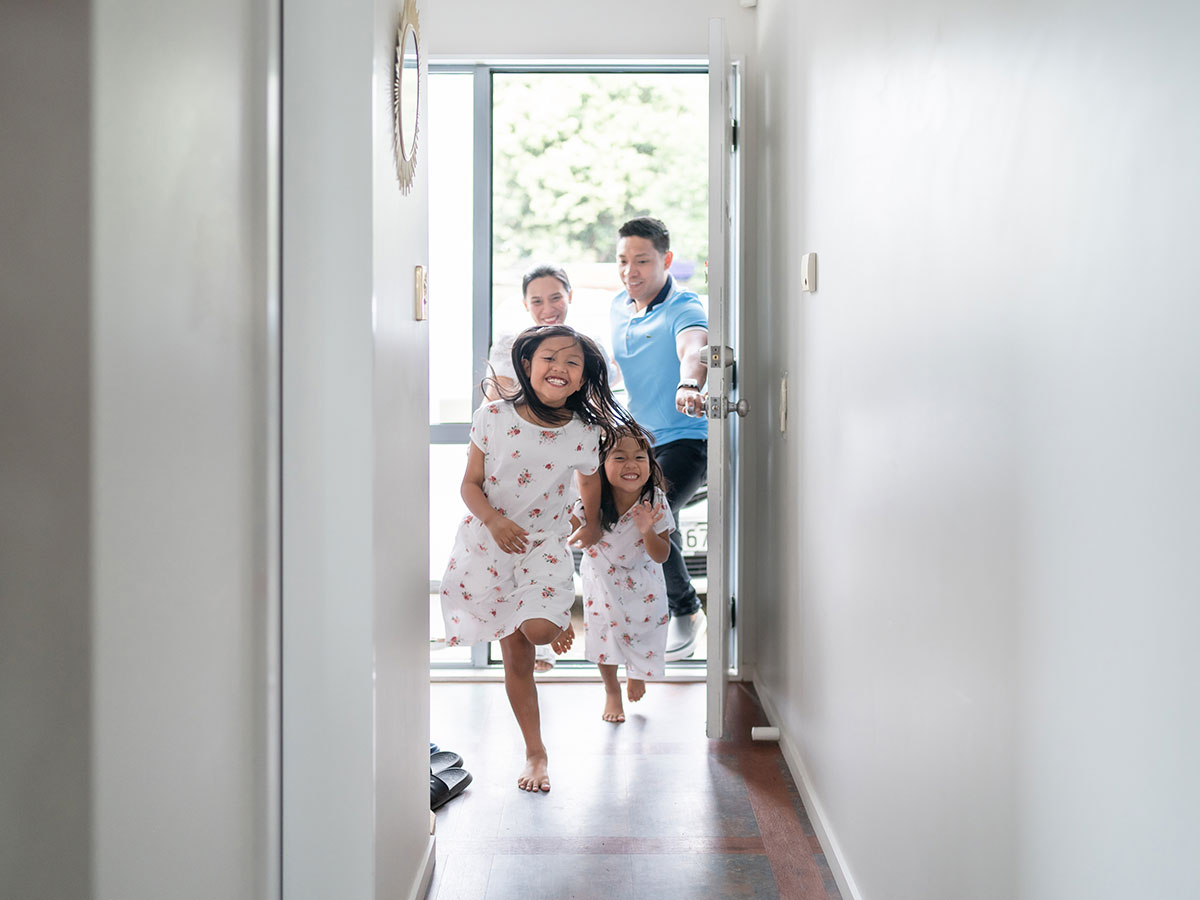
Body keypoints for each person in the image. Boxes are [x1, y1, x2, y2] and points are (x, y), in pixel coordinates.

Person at [440, 325, 633, 792]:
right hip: (491, 543)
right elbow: (469, 483)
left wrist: (588, 522)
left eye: (573, 362)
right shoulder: (491, 416)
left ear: (584, 377)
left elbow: (589, 482)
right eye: (550, 358)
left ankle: (553, 613)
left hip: (544, 544)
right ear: (527, 364)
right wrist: (493, 520)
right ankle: (536, 752)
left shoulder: (586, 431)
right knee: (517, 656)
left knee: (540, 629)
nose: (560, 368)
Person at [610, 216, 709, 661]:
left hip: (688, 439)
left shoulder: (683, 307)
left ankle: (686, 610)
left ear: (666, 260)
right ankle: (633, 614)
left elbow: (695, 347)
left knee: (652, 507)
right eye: (623, 260)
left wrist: (690, 384)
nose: (631, 270)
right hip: (640, 442)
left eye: (643, 261)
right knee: (626, 510)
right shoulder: (618, 306)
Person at [484, 265, 575, 671]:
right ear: (525, 305)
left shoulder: (582, 346)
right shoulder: (510, 344)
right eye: (537, 300)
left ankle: (553, 617)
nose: (547, 307)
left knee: (554, 544)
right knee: (514, 549)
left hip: (561, 464)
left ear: (569, 297)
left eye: (555, 297)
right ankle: (527, 641)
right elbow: (496, 395)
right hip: (513, 467)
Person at [573, 425, 674, 722]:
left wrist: (647, 531)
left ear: (650, 463)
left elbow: (662, 554)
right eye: (619, 458)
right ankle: (612, 691)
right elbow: (569, 526)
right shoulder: (592, 498)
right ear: (601, 464)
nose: (631, 465)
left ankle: (638, 671)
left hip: (644, 583)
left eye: (639, 458)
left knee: (645, 631)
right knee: (605, 636)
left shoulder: (654, 499)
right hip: (601, 581)